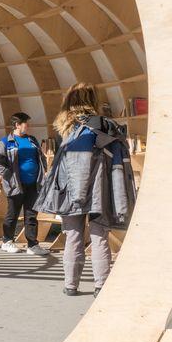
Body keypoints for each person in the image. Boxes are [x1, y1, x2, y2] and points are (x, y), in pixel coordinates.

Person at [37, 82, 135, 297]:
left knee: (73, 236)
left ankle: (71, 285)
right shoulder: (107, 126)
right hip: (102, 190)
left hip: (72, 192)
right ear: (93, 100)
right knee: (100, 236)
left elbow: (61, 167)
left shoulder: (69, 130)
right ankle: (101, 286)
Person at [0, 112, 48, 254]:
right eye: (25, 123)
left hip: (33, 184)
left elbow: (40, 157)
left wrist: (44, 170)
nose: (28, 126)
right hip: (16, 184)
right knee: (13, 213)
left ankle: (32, 245)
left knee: (31, 214)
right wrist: (10, 177)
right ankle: (7, 241)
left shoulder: (33, 140)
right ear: (17, 125)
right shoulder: (5, 142)